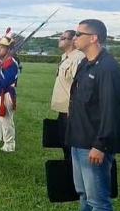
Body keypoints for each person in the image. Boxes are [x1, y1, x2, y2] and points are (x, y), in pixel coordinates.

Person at [67, 19, 120, 210]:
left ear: (94, 38)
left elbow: (111, 110)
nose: (75, 38)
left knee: (98, 201)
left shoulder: (108, 68)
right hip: (79, 140)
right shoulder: (84, 63)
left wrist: (101, 145)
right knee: (84, 195)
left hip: (94, 145)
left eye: (79, 34)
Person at [50, 30, 84, 161]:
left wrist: (74, 107)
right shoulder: (65, 57)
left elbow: (79, 85)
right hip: (62, 109)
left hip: (71, 110)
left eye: (63, 38)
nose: (60, 40)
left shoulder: (78, 59)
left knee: (71, 148)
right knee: (64, 144)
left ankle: (72, 177)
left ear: (72, 41)